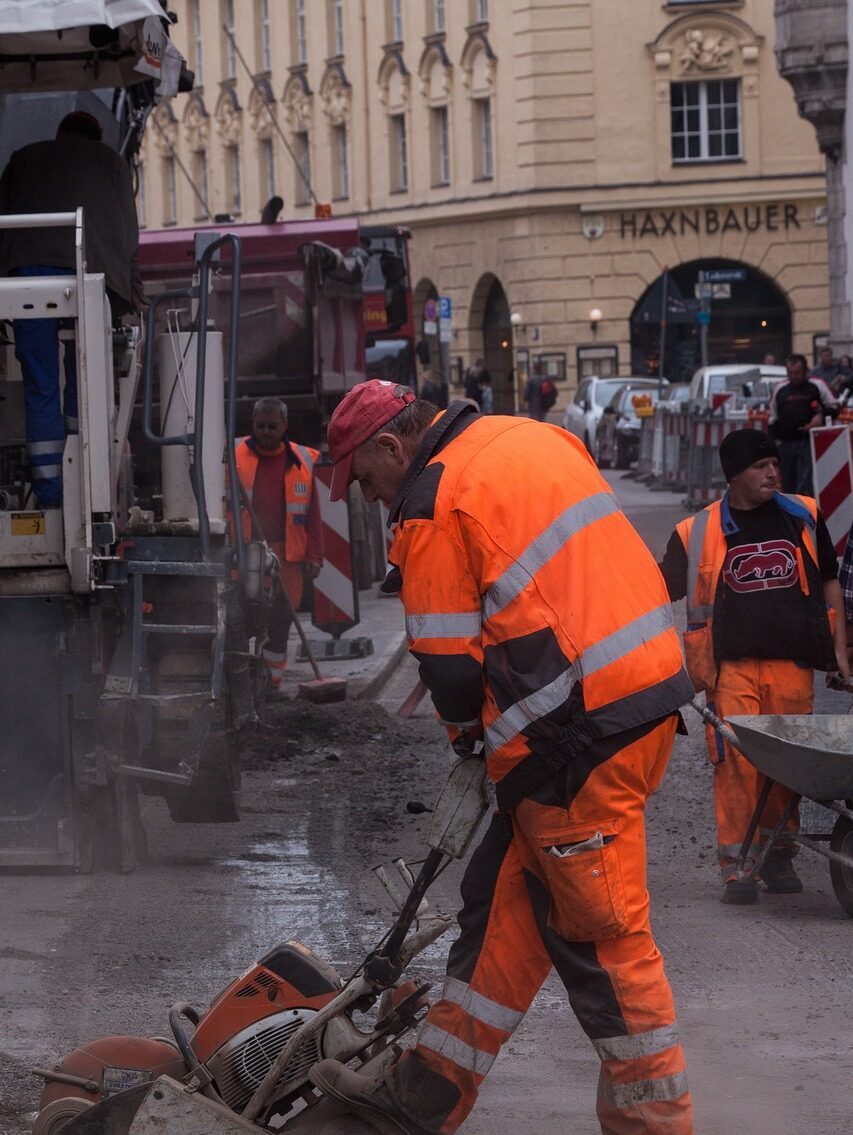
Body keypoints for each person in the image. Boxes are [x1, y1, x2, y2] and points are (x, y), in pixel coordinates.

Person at [311, 379, 696, 1135]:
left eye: (363, 478)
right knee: (502, 907)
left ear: (392, 446)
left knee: (601, 944)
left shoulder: (432, 502)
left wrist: (466, 744)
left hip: (573, 739)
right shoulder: (529, 437)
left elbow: (449, 669)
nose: (367, 496)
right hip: (635, 701)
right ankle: (427, 1091)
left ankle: (657, 1125)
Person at [659, 429, 848, 906]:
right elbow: (655, 595)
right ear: (734, 475)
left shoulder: (803, 514)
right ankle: (738, 863)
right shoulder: (695, 532)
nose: (772, 473)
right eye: (761, 467)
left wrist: (840, 652)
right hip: (730, 670)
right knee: (738, 764)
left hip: (791, 664)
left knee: (789, 765)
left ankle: (779, 853)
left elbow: (830, 581)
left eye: (775, 464)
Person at [0, 111, 142, 507]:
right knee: (86, 377)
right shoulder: (112, 163)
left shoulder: (22, 158)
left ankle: (49, 494)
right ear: (97, 139)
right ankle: (86, 486)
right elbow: (129, 233)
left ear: (59, 135)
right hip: (91, 276)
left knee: (40, 382)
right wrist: (132, 287)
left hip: (29, 276)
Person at [233, 398, 324, 692]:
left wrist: (314, 555)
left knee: (280, 621)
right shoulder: (235, 456)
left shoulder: (301, 460)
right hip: (245, 553)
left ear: (284, 426)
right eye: (260, 426)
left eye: (272, 426)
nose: (266, 432)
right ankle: (245, 684)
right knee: (245, 618)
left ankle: (271, 685)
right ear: (253, 423)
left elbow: (313, 513)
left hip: (287, 555)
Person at [768, 352, 838, 495]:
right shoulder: (780, 389)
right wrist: (775, 441)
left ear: (805, 371)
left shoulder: (817, 385)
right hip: (786, 444)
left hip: (809, 442)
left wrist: (821, 417)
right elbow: (772, 416)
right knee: (787, 483)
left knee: (806, 482)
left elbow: (834, 407)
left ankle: (807, 512)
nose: (793, 376)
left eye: (797, 372)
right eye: (790, 372)